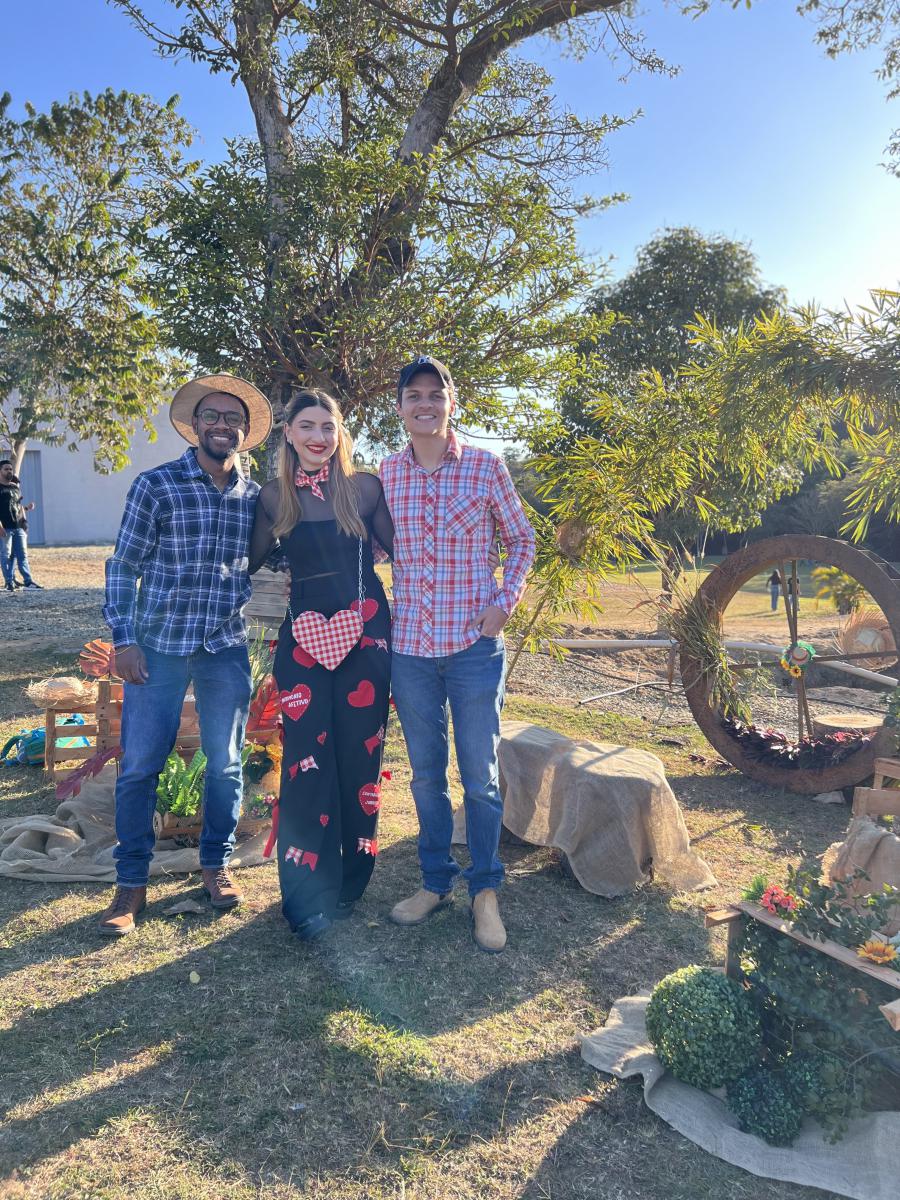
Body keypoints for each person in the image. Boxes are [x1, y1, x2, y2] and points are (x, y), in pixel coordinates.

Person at [99, 375, 273, 936]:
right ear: (195, 425)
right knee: (141, 765)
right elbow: (123, 566)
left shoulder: (256, 497)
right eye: (212, 416)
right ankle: (131, 882)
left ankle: (215, 864)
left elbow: (280, 554)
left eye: (233, 419)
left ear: (245, 432)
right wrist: (124, 639)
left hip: (224, 646)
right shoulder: (157, 485)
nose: (223, 425)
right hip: (158, 647)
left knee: (225, 763)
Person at [380, 356, 536, 954]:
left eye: (435, 394)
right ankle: (435, 881)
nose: (425, 404)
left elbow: (521, 540)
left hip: (474, 648)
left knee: (480, 776)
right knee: (425, 776)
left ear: (451, 403)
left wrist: (504, 603)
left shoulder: (485, 467)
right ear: (400, 408)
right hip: (410, 651)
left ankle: (485, 890)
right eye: (413, 395)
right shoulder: (386, 475)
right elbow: (371, 548)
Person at [249, 389, 395, 941]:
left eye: (327, 427)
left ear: (340, 434)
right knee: (305, 762)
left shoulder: (365, 489)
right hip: (303, 637)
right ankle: (307, 895)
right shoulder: (272, 498)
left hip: (366, 632)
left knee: (360, 757)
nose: (318, 437)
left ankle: (351, 882)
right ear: (288, 433)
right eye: (306, 426)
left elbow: (408, 553)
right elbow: (241, 561)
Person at [0, 460, 42, 591]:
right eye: (6, 469)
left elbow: (18, 506)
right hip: (5, 528)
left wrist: (25, 522)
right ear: (0, 471)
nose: (9, 471)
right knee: (6, 555)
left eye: (10, 469)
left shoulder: (15, 487)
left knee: (22, 555)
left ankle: (28, 582)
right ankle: (9, 583)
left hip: (18, 527)